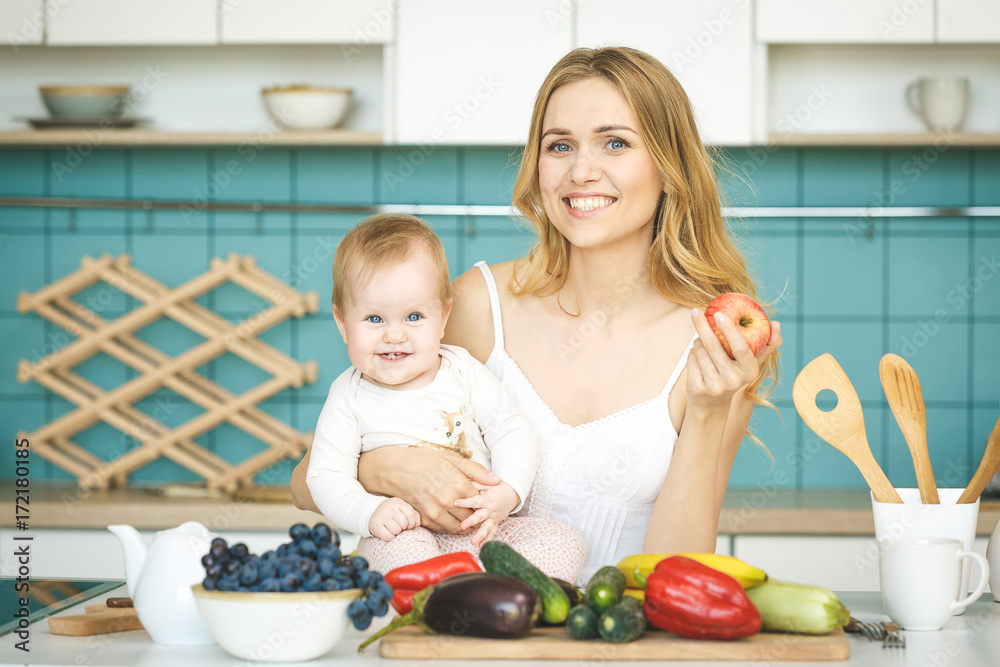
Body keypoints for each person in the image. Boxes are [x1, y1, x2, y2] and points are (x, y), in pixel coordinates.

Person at [292, 46, 782, 582]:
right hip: (461, 637)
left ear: (669, 168)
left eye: (615, 142)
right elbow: (305, 481)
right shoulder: (480, 304)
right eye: (560, 146)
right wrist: (385, 468)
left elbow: (677, 576)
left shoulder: (711, 349)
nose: (581, 170)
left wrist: (710, 412)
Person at [305, 213, 585, 581]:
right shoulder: (348, 397)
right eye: (374, 319)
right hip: (407, 533)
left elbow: (511, 429)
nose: (395, 335)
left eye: (414, 316)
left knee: (566, 542)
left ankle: (481, 590)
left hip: (484, 530)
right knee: (400, 553)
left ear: (444, 316)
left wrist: (507, 493)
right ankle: (458, 593)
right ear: (342, 323)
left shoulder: (462, 369)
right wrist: (370, 512)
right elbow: (324, 477)